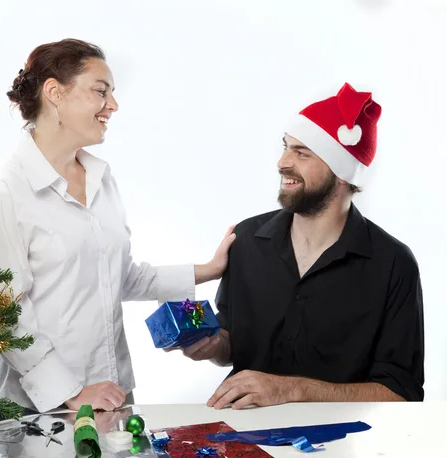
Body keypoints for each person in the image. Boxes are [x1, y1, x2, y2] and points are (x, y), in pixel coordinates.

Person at [0, 39, 236, 413]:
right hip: (35, 410)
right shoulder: (3, 189)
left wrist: (208, 270)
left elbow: (117, 275)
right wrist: (72, 393)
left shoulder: (101, 177)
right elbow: (2, 312)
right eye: (101, 91)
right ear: (55, 93)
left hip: (111, 394)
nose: (113, 105)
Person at [176, 82, 424, 408]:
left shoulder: (393, 263)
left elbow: (402, 392)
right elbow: (231, 343)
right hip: (245, 434)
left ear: (342, 173)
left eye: (301, 153)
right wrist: (212, 345)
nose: (282, 162)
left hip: (341, 441)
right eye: (285, 147)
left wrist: (292, 389)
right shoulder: (247, 239)